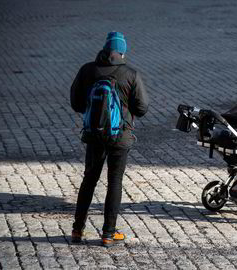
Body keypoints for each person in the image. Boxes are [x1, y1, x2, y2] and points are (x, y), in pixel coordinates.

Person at [69, 31, 149, 246]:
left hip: (94, 135)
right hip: (119, 136)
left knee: (89, 180)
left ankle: (77, 230)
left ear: (105, 50)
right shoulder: (130, 74)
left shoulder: (87, 70)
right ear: (122, 52)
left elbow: (76, 103)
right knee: (115, 182)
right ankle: (108, 234)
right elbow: (142, 108)